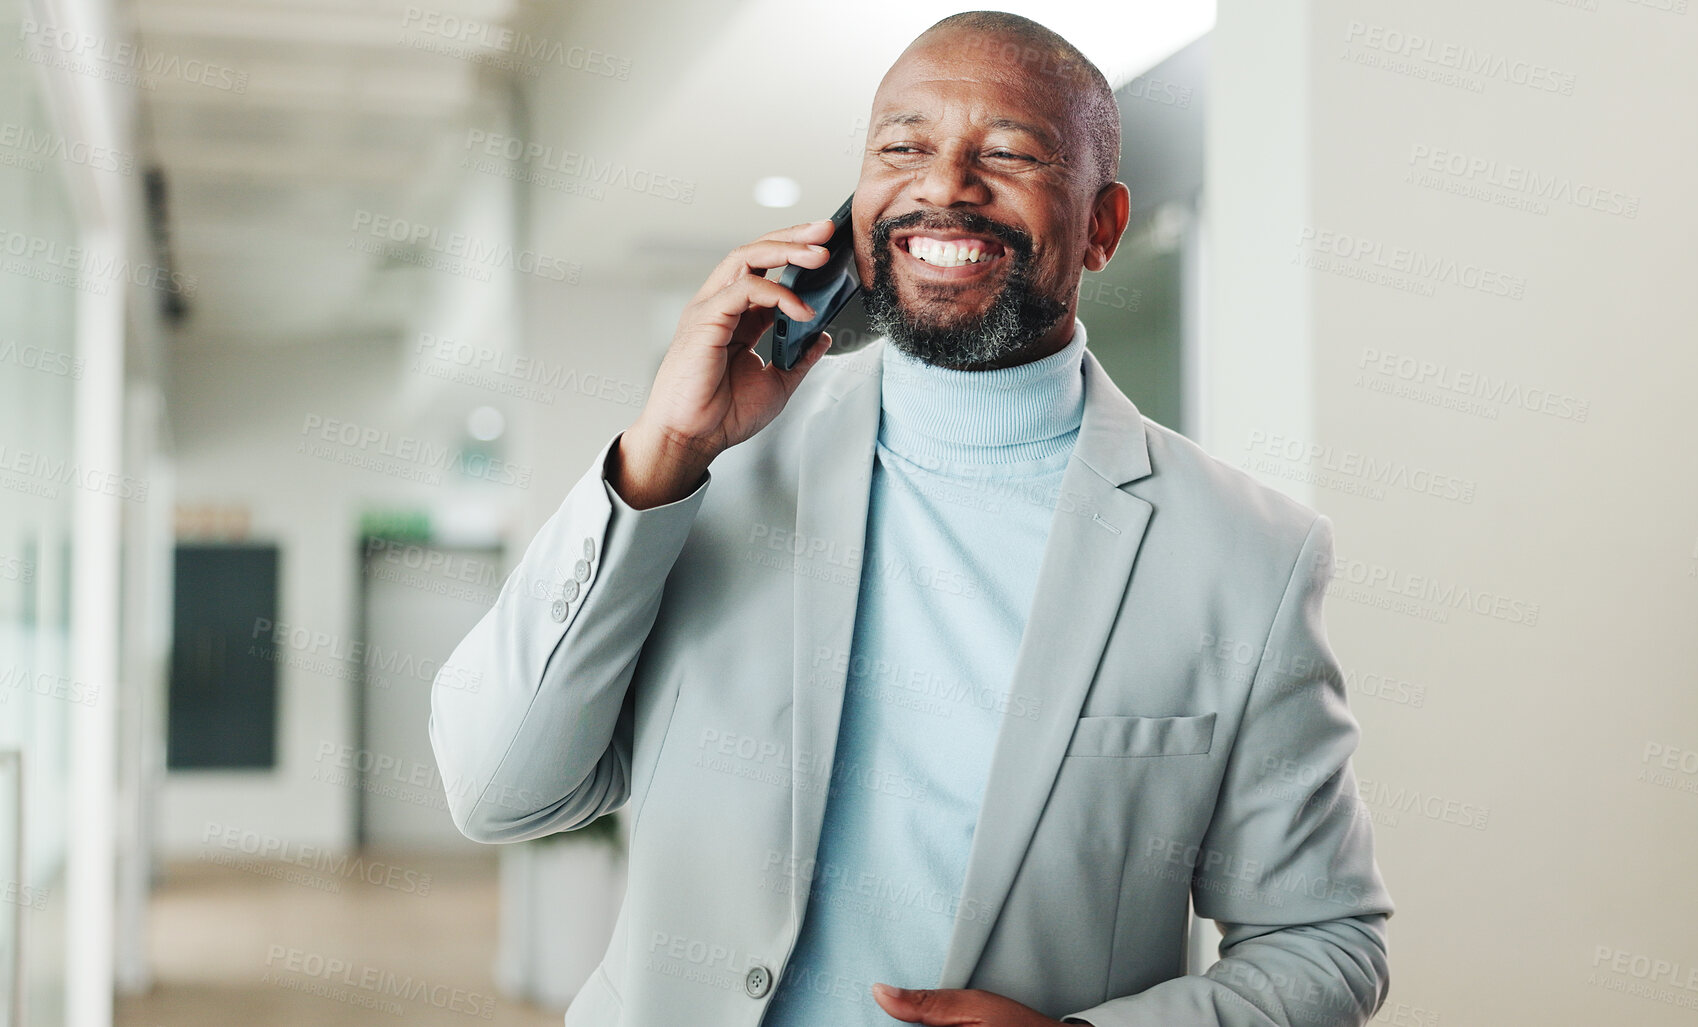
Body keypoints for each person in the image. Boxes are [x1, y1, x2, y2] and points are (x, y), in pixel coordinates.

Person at [429, 11, 1393, 1026]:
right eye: (903, 147)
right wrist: (662, 455)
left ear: (1103, 226)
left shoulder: (1247, 554)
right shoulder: (710, 471)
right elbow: (501, 792)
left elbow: (1324, 938)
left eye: (1009, 152)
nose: (943, 186)